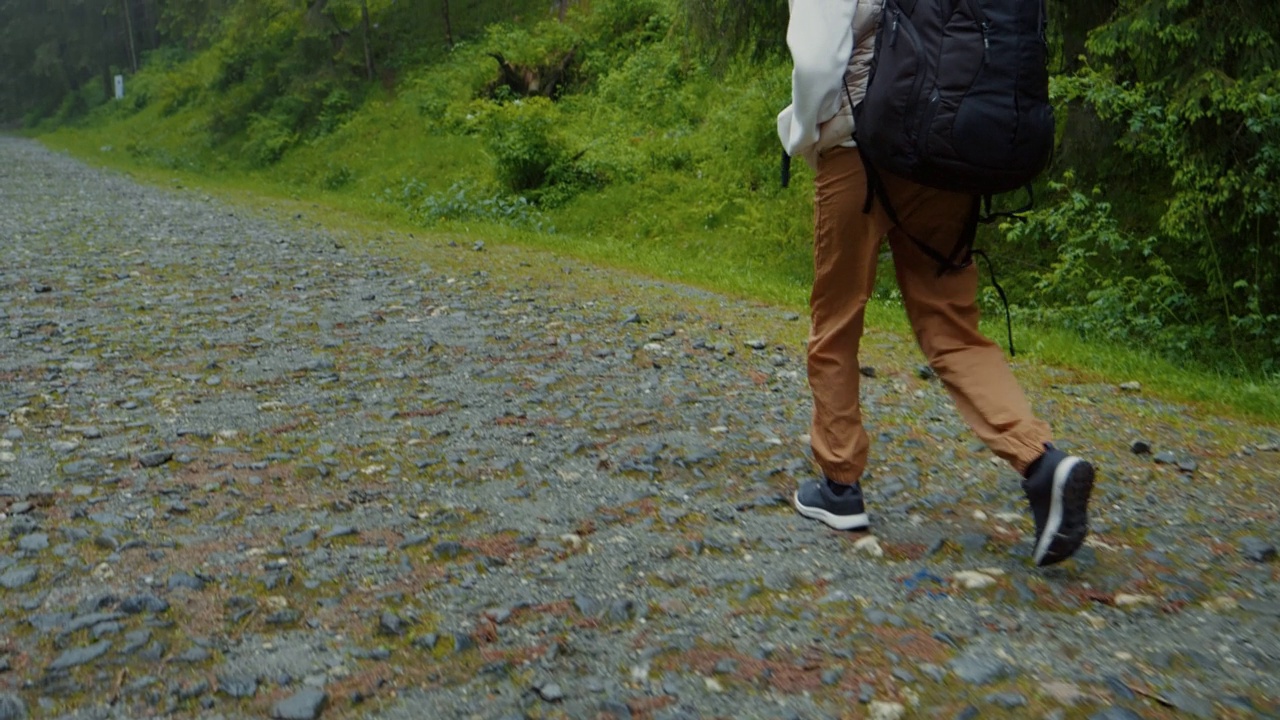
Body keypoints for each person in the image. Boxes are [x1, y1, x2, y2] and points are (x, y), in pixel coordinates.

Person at [777, 0, 1094, 566]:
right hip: (943, 153)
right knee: (951, 326)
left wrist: (802, 133)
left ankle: (840, 485)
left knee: (837, 320)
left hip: (858, 152)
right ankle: (1042, 462)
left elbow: (817, 61)